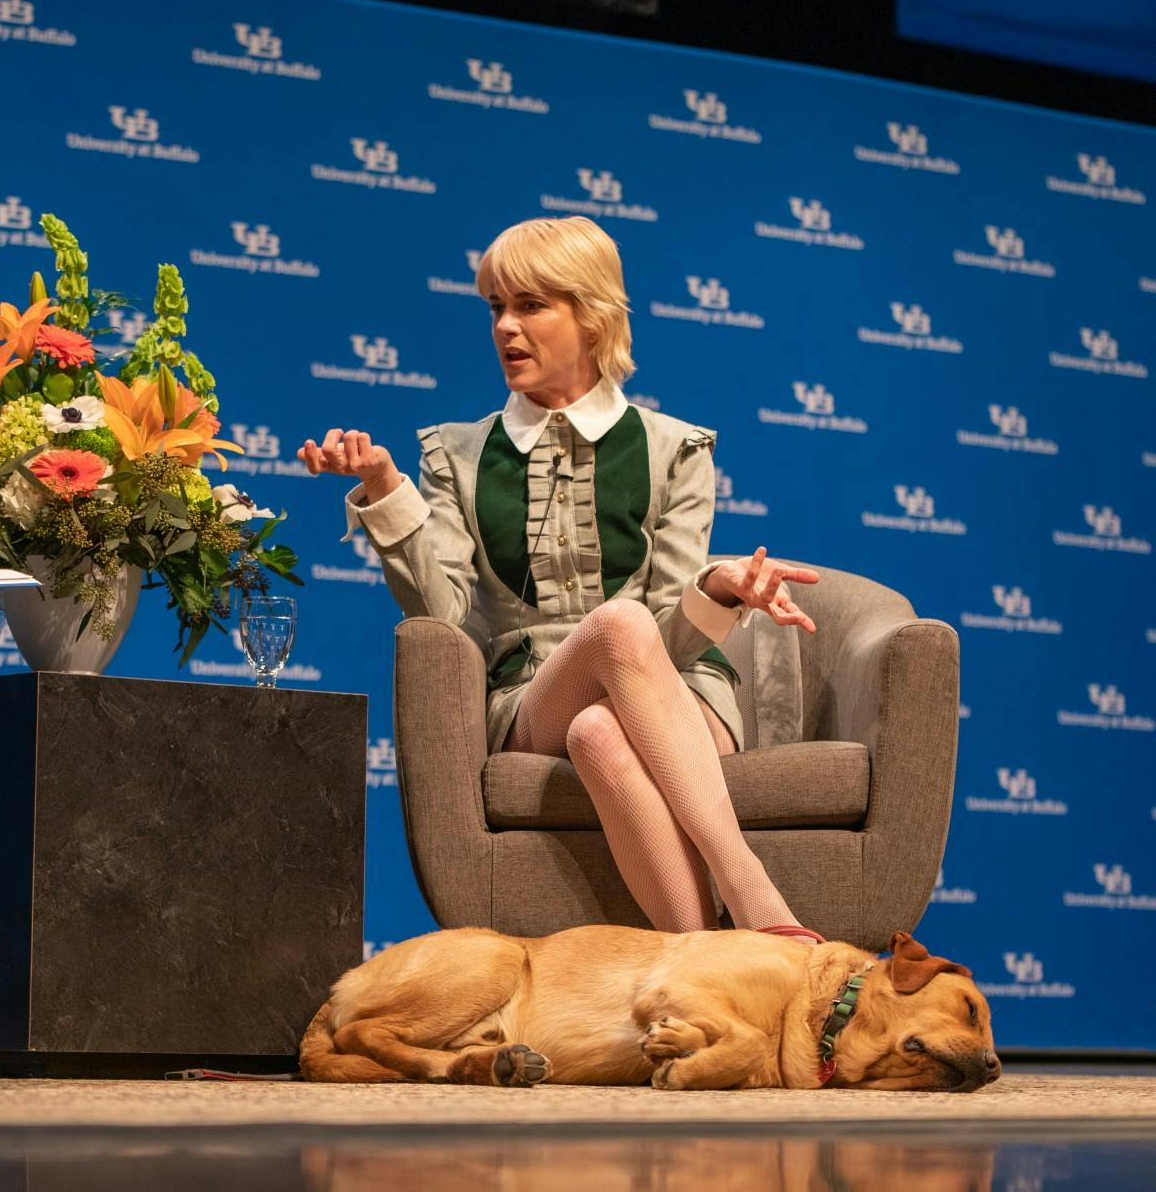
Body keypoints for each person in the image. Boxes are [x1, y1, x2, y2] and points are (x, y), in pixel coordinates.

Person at [300, 215, 825, 941]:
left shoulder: (675, 448)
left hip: (676, 690)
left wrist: (718, 590)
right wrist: (387, 490)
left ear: (594, 318)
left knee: (602, 729)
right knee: (613, 633)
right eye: (496, 308)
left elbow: (667, 642)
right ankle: (750, 887)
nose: (506, 328)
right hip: (531, 697)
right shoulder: (454, 453)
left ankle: (704, 961)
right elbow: (445, 614)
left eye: (531, 305)